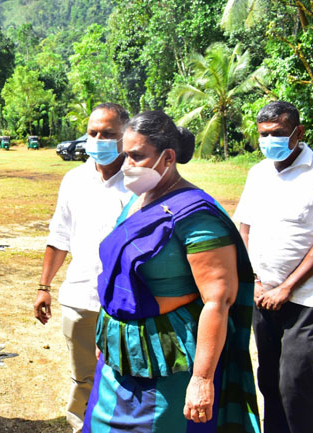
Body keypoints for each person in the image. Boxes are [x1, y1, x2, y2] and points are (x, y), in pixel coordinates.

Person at [83, 111, 260, 432]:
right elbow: (119, 276)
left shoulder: (196, 216)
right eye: (125, 155)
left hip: (169, 369)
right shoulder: (137, 201)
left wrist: (202, 380)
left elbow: (218, 301)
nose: (127, 165)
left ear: (168, 158)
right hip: (118, 365)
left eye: (137, 156)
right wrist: (106, 333)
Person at [33, 103, 130, 433]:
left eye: (109, 134)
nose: (99, 140)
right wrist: (44, 286)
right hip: (79, 298)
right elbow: (59, 235)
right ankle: (80, 427)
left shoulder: (139, 181)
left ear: (126, 136)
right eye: (93, 133)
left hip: (125, 303)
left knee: (124, 378)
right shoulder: (73, 179)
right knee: (83, 377)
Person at [235, 101, 313, 433]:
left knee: (296, 381)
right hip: (262, 295)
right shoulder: (258, 173)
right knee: (268, 380)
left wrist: (287, 287)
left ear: (298, 133)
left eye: (278, 134)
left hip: (307, 300)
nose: (269, 140)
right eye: (264, 134)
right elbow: (244, 227)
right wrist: (253, 279)